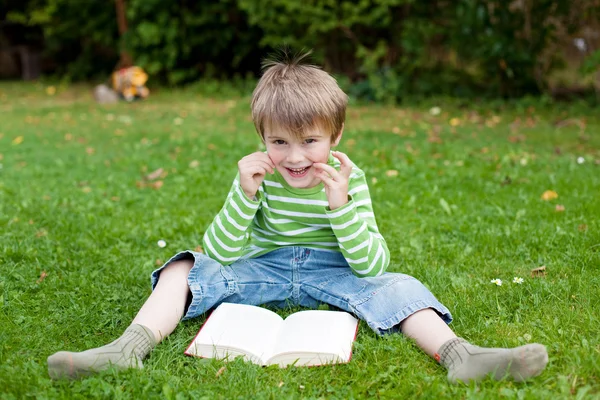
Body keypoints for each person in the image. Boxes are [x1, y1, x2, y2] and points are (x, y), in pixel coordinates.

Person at [47, 51, 548, 383]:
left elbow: (372, 264)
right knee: (185, 264)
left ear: (335, 139)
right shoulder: (257, 176)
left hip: (336, 275)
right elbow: (222, 252)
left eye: (310, 141)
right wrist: (243, 197)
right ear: (262, 139)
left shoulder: (348, 181)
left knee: (400, 285)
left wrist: (341, 207)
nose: (294, 157)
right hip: (262, 270)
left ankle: (461, 356)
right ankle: (128, 346)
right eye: (279, 142)